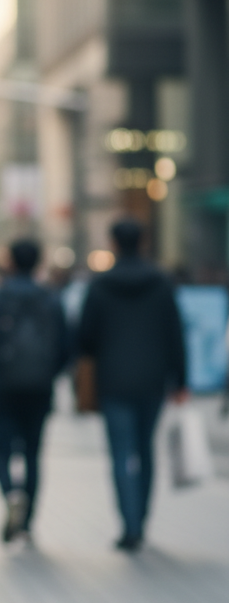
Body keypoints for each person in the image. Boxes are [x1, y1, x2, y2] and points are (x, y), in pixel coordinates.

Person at [79, 218, 187, 552]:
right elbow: (175, 333)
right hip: (153, 379)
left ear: (113, 242)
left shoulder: (100, 284)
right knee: (145, 451)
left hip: (113, 380)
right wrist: (181, 379)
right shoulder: (162, 282)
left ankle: (129, 526)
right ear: (142, 241)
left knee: (121, 453)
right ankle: (142, 519)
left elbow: (85, 337)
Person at [0, 239, 70, 542]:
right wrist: (49, 375)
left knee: (3, 450)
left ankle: (11, 495)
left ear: (11, 263)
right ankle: (28, 522)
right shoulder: (52, 299)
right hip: (40, 388)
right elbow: (66, 346)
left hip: (3, 386)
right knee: (33, 453)